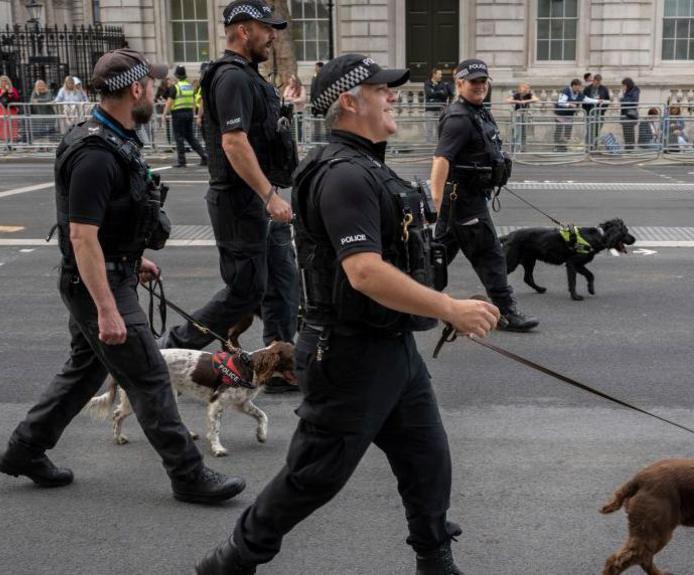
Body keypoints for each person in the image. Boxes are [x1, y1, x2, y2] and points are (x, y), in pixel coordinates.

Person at [195, 51, 500, 575]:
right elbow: (364, 273)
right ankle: (232, 560)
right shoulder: (343, 176)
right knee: (314, 475)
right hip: (348, 353)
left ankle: (435, 559)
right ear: (349, 101)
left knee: (427, 460)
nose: (393, 95)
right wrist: (450, 308)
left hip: (391, 346)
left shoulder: (364, 166)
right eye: (382, 89)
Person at [0, 48, 244, 504]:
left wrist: (131, 258)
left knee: (84, 372)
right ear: (135, 89)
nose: (156, 90)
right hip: (98, 287)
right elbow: (82, 238)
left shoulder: (113, 139)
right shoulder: (95, 153)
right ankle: (188, 475)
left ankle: (24, 450)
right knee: (149, 376)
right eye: (151, 84)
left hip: (109, 275)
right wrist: (108, 308)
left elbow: (107, 226)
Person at [158, 0, 299, 384]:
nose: (272, 36)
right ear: (242, 30)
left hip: (261, 199)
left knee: (284, 284)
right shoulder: (231, 77)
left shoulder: (250, 76)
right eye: (266, 28)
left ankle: (280, 368)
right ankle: (165, 355)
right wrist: (269, 195)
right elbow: (234, 143)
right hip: (242, 201)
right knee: (245, 292)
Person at [430, 59, 539, 332]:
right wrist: (435, 199)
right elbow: (442, 159)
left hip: (467, 199)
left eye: (483, 81)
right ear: (459, 84)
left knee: (437, 255)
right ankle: (506, 312)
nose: (479, 86)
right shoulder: (459, 118)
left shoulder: (477, 111)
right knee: (490, 254)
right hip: (464, 202)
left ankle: (409, 302)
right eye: (473, 82)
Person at [163, 65, 208, 167]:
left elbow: (169, 102)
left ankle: (182, 161)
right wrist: (193, 115)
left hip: (178, 114)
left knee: (179, 137)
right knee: (190, 137)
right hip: (189, 114)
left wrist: (164, 114)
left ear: (177, 76)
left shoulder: (176, 87)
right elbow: (192, 102)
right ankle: (204, 156)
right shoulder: (189, 86)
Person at [554, 78, 590, 152]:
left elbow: (586, 99)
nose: (579, 88)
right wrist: (570, 104)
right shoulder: (565, 91)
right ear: (573, 85)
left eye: (579, 87)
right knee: (559, 130)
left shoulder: (578, 93)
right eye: (577, 87)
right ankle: (556, 146)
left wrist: (598, 101)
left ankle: (564, 146)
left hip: (569, 115)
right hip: (560, 114)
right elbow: (560, 102)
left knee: (568, 132)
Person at [504, 82, 538, 152]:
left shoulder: (529, 95)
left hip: (525, 115)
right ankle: (515, 147)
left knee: (524, 132)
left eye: (528, 88)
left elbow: (536, 99)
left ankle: (523, 147)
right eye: (526, 88)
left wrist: (526, 101)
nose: (528, 89)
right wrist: (517, 101)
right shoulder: (517, 95)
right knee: (517, 132)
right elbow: (507, 100)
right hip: (518, 115)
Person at [424, 68, 454, 139]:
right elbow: (429, 93)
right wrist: (439, 92)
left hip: (441, 110)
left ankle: (439, 146)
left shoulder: (443, 84)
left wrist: (434, 90)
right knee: (429, 129)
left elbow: (445, 94)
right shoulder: (427, 83)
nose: (441, 76)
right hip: (430, 109)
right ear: (434, 75)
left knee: (440, 129)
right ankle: (429, 146)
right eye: (439, 74)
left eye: (441, 74)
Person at [0, 75, 20, 146]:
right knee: (2, 125)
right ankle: (5, 142)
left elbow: (17, 97)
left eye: (5, 80)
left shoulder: (12, 89)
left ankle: (12, 142)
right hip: (2, 110)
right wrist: (1, 93)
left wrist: (10, 92)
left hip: (11, 110)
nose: (4, 82)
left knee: (12, 125)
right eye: (2, 81)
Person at [583, 73, 610, 148]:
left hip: (599, 113)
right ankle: (588, 147)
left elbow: (607, 100)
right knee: (590, 130)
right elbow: (583, 101)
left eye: (599, 82)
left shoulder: (604, 89)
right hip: (590, 113)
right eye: (596, 82)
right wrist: (587, 111)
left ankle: (594, 146)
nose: (598, 84)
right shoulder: (587, 89)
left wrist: (603, 107)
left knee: (597, 131)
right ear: (593, 80)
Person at [281, 74, 307, 142]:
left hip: (298, 111)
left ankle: (299, 143)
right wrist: (293, 99)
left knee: (298, 128)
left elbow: (302, 99)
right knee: (290, 127)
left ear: (296, 81)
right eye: (290, 79)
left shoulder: (301, 88)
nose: (290, 81)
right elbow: (284, 97)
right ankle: (290, 142)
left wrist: (292, 99)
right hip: (289, 111)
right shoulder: (288, 88)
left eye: (292, 80)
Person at [619, 77, 640, 150]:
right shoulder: (626, 92)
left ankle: (630, 148)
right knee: (626, 132)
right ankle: (627, 147)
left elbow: (633, 102)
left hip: (631, 115)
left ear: (627, 84)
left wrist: (622, 99)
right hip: (625, 114)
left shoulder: (635, 90)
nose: (623, 87)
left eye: (623, 85)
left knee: (630, 132)